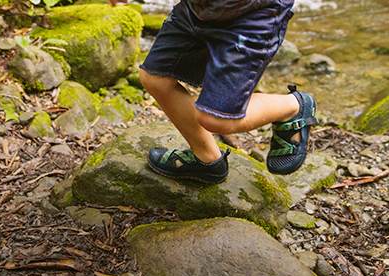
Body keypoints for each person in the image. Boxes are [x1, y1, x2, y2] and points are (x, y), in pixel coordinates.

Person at [109, 0, 319, 183]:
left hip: (251, 17)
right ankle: (207, 158)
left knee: (216, 119)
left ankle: (293, 107)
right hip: (197, 9)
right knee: (155, 78)